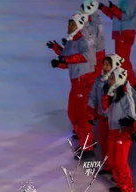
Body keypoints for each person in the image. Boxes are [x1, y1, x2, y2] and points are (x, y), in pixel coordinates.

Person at [49, 13, 97, 158]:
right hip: (76, 84)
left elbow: (84, 57)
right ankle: (85, 137)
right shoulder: (71, 41)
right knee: (72, 113)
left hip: (85, 83)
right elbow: (68, 58)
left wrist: (65, 58)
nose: (70, 28)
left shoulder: (84, 41)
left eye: (73, 25)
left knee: (82, 116)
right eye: (69, 25)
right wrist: (58, 57)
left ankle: (87, 147)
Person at [102, 67, 136, 192]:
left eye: (112, 78)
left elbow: (132, 115)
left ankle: (128, 189)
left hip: (122, 133)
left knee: (121, 162)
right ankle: (120, 183)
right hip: (113, 131)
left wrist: (130, 130)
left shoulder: (126, 96)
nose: (110, 80)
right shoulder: (114, 94)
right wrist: (106, 97)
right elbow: (106, 112)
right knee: (113, 160)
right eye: (110, 78)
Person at [88, 53, 124, 175]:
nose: (105, 66)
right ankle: (108, 166)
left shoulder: (120, 82)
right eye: (104, 64)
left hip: (114, 120)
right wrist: (91, 112)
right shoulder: (99, 80)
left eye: (108, 64)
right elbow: (93, 96)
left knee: (113, 147)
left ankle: (116, 171)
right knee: (104, 143)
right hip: (103, 118)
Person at [99, 0, 136, 89]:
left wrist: (113, 8)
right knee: (122, 60)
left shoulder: (130, 2)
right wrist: (103, 8)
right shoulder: (123, 1)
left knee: (123, 61)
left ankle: (131, 83)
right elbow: (115, 16)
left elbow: (125, 17)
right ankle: (129, 82)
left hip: (125, 34)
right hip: (120, 34)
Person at [80, 0, 107, 79]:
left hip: (97, 52)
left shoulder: (93, 20)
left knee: (95, 75)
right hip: (96, 51)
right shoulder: (93, 18)